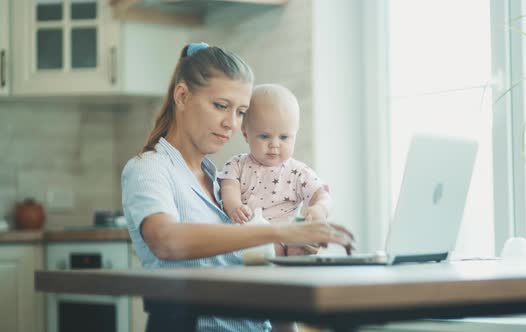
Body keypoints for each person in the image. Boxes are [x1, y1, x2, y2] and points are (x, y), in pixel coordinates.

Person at [121, 42, 354, 332]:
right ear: (182, 95)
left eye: (241, 112)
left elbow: (242, 263)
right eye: (221, 106)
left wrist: (293, 246)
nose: (231, 124)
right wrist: (280, 231)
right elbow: (165, 240)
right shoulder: (149, 168)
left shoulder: (222, 182)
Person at [219, 83, 332, 256]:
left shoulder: (299, 172)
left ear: (295, 134)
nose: (274, 144)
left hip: (285, 238)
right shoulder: (237, 165)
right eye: (265, 136)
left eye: (284, 137)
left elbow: (323, 193)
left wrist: (319, 209)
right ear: (246, 133)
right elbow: (228, 187)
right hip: (248, 236)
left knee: (300, 245)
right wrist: (234, 206)